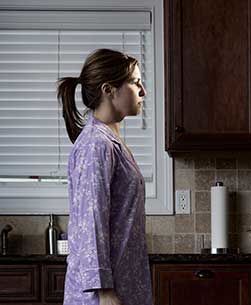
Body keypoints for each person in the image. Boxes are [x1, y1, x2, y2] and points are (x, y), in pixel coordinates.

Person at [57, 49, 151, 305]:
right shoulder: (95, 144)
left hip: (124, 285)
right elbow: (91, 220)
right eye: (135, 83)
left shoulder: (110, 141)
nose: (143, 91)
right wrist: (104, 292)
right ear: (109, 89)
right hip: (104, 296)